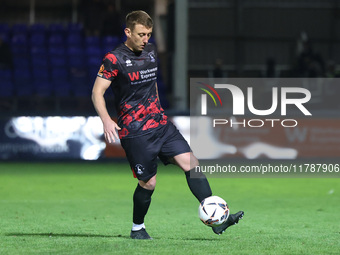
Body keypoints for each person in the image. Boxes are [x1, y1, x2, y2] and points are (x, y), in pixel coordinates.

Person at [91, 10, 244, 239]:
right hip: (136, 131)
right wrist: (106, 120)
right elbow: (97, 92)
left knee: (192, 163)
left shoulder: (151, 51)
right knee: (149, 183)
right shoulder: (114, 59)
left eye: (149, 34)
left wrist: (158, 107)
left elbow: (151, 83)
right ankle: (137, 229)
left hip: (161, 125)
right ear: (128, 32)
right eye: (141, 34)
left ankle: (216, 221)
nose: (146, 40)